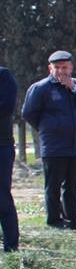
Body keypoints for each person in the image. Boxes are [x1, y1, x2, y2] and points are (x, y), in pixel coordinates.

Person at [22, 51, 76, 230]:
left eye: (64, 67)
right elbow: (28, 113)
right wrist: (48, 129)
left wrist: (73, 87)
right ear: (50, 68)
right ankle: (54, 221)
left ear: (71, 67)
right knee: (53, 186)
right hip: (54, 147)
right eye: (57, 68)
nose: (61, 71)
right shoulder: (41, 88)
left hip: (75, 146)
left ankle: (73, 221)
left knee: (72, 186)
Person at [0, 66, 19, 251]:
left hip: (1, 147)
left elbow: (6, 106)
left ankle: (11, 248)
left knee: (2, 199)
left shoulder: (3, 76)